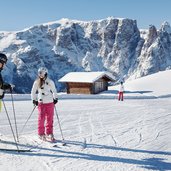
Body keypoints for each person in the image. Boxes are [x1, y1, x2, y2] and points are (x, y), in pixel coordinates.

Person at [31, 67, 58, 142]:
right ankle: (41, 133)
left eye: (42, 73)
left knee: (50, 118)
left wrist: (55, 98)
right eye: (39, 73)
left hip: (49, 102)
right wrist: (34, 99)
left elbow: (54, 90)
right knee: (41, 118)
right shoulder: (37, 82)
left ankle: (49, 132)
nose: (40, 75)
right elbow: (33, 91)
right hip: (41, 102)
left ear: (45, 73)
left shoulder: (50, 81)